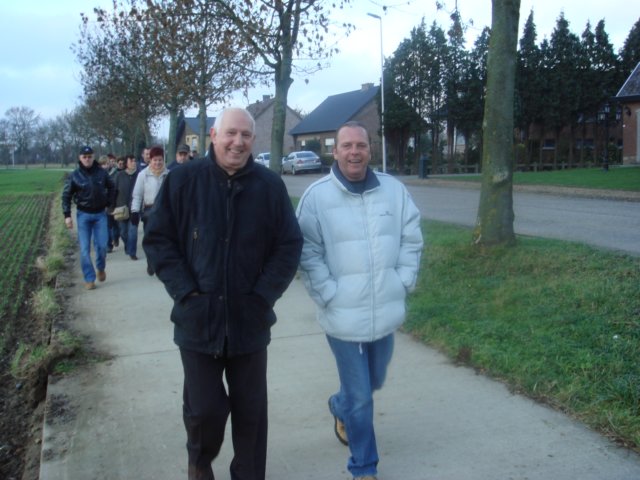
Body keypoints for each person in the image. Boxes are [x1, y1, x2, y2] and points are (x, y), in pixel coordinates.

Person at [143, 107, 302, 480]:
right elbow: (159, 240)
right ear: (213, 135)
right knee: (204, 410)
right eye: (231, 133)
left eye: (246, 135)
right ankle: (199, 464)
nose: (238, 142)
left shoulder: (269, 187)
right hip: (198, 321)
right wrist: (186, 293)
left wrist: (262, 297)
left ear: (253, 140)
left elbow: (289, 245)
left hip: (250, 322)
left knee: (251, 413)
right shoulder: (183, 182)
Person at [296, 121, 424, 480]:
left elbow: (412, 239)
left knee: (373, 382)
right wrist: (328, 293)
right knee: (362, 397)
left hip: (385, 310)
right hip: (342, 317)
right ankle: (364, 467)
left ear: (371, 149)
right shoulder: (316, 197)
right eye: (347, 145)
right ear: (335, 151)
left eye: (361, 145)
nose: (355, 152)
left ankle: (339, 406)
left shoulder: (394, 191)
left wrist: (403, 280)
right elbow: (307, 251)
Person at [61, 145, 115, 290]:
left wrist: (109, 203)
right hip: (83, 215)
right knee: (85, 250)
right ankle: (89, 278)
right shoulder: (74, 175)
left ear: (93, 157)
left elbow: (112, 187)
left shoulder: (102, 173)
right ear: (80, 158)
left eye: (89, 156)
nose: (87, 159)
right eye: (84, 157)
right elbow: (66, 195)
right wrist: (67, 216)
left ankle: (100, 267)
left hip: (100, 215)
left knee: (102, 246)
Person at [130, 145, 169, 275]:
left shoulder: (168, 174)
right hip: (149, 210)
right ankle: (151, 262)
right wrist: (135, 211)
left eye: (160, 160)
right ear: (150, 160)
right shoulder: (143, 175)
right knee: (150, 239)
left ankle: (162, 263)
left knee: (164, 240)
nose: (157, 163)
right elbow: (137, 195)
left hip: (165, 211)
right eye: (155, 160)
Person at [113, 154, 140, 260]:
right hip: (121, 208)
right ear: (126, 163)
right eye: (131, 161)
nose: (134, 163)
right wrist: (111, 207)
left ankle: (132, 252)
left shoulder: (139, 175)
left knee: (133, 232)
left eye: (134, 161)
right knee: (123, 232)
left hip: (134, 208)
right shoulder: (119, 176)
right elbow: (114, 191)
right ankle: (128, 246)